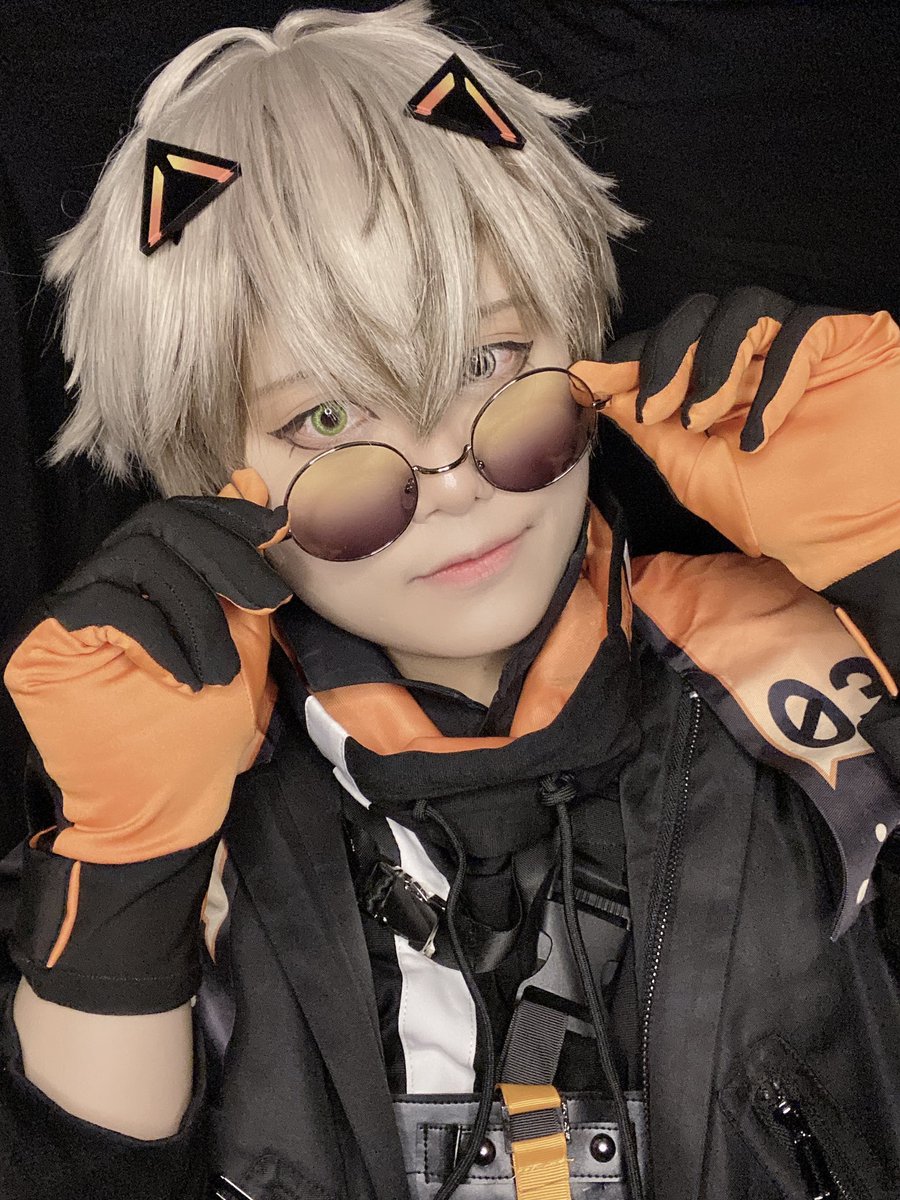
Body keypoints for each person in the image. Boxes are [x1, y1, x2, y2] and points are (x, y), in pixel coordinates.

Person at [1, 3, 899, 1199]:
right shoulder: (156, 789)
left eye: (487, 364)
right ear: (204, 476)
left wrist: (893, 557)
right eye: (328, 417)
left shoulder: (800, 687)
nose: (453, 479)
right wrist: (123, 875)